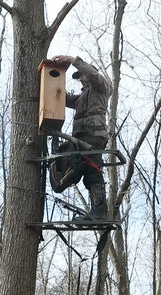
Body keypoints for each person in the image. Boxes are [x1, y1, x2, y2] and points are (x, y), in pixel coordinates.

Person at [51, 55, 112, 220]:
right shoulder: (82, 97)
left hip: (93, 134)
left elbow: (93, 75)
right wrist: (50, 86)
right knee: (92, 171)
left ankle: (99, 212)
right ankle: (98, 212)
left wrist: (73, 61)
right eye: (78, 78)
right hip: (83, 137)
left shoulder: (102, 86)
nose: (81, 79)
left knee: (90, 168)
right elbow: (63, 98)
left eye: (82, 75)